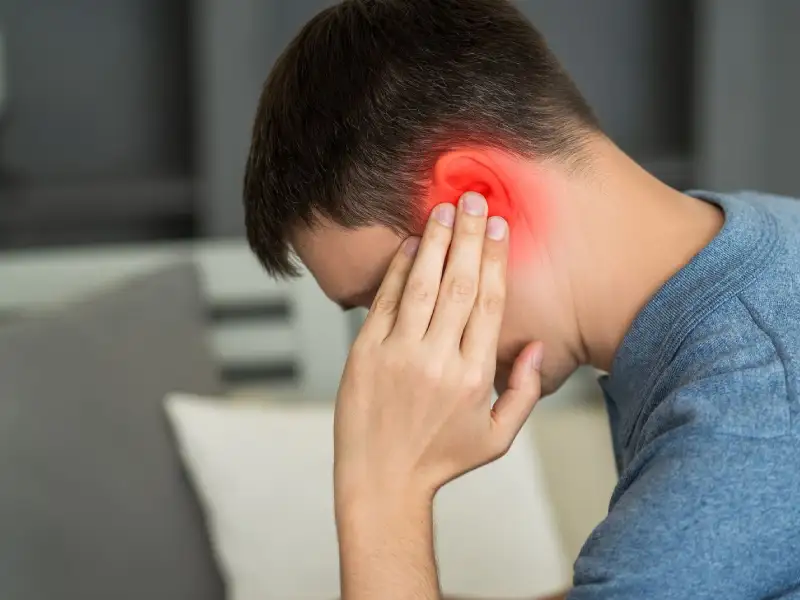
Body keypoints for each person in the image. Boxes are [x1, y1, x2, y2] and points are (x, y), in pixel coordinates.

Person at [242, 0, 800, 598]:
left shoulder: (739, 426)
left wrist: (382, 491)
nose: (399, 351)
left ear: (477, 197)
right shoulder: (768, 236)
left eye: (390, 297)